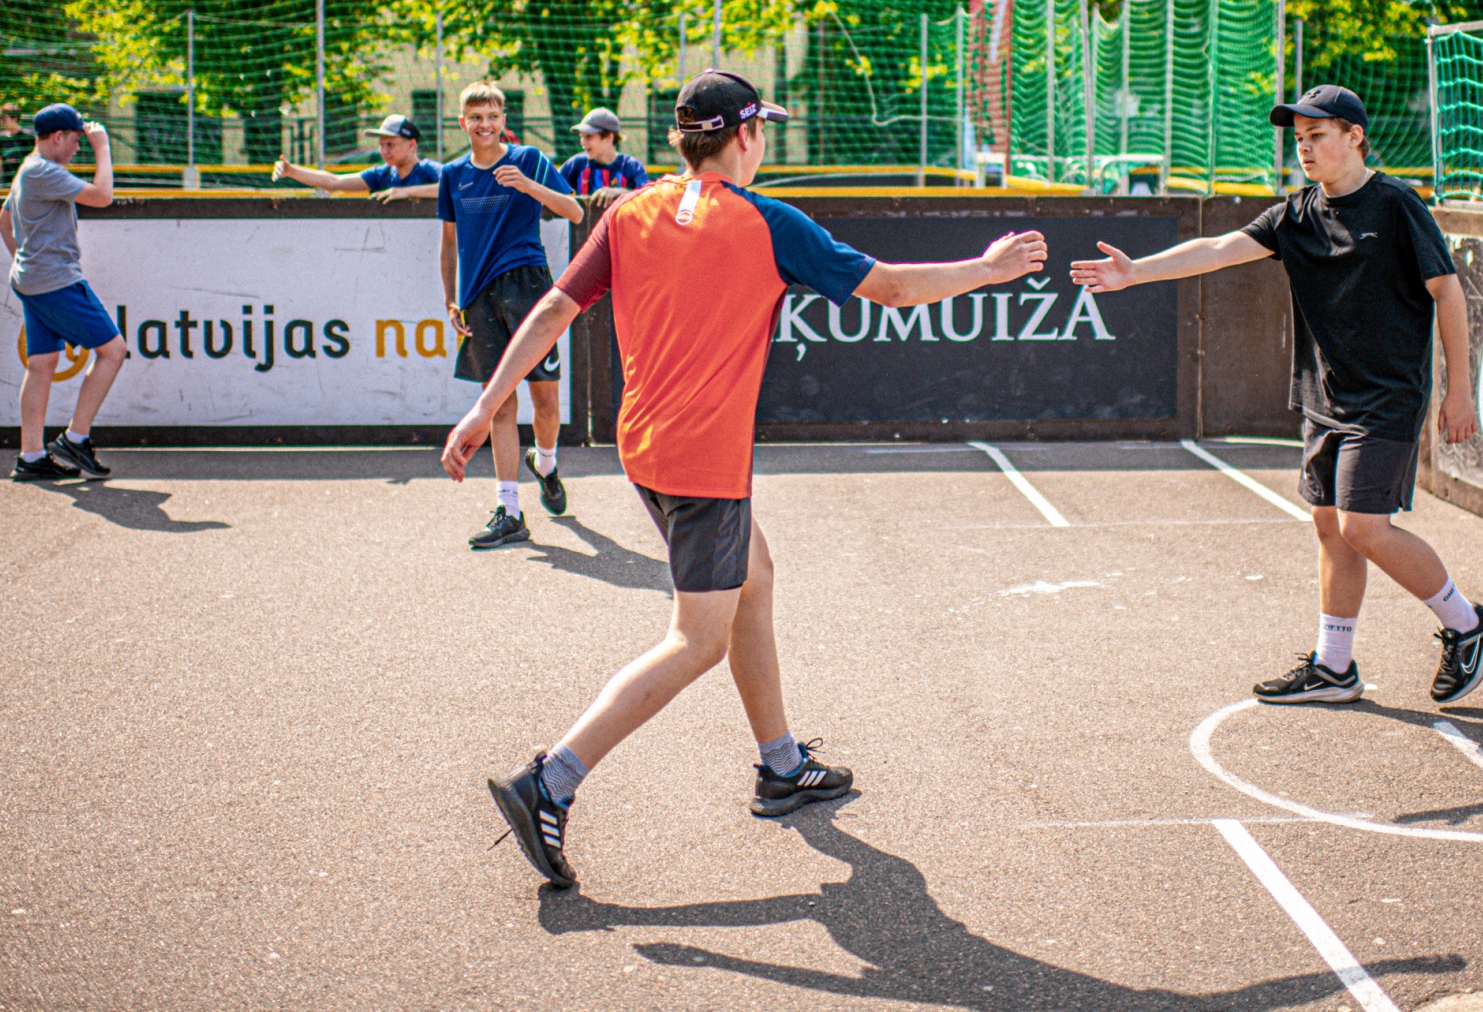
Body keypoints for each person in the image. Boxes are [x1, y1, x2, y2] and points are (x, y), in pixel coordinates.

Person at [444, 69, 1048, 888]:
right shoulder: (767, 222)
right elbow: (897, 289)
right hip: (703, 463)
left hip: (646, 447)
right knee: (696, 640)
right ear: (746, 135)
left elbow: (553, 309)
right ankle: (550, 781)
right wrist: (988, 265)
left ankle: (781, 764)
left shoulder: (632, 210)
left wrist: (485, 407)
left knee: (753, 577)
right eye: (764, 129)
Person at [1071, 84, 1483, 709]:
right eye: (1298, 139)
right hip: (1324, 397)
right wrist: (1136, 271)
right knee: (1330, 526)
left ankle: (1469, 623)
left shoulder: (1397, 205)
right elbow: (1216, 249)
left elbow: (1449, 293)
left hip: (1387, 398)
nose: (1303, 148)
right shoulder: (1294, 215)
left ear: (1354, 136)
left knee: (1363, 527)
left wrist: (1459, 392)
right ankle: (1334, 667)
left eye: (1317, 136)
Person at [439, 83, 583, 546]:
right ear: (463, 123)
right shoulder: (452, 174)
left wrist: (528, 185)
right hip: (478, 298)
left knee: (546, 402)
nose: (484, 124)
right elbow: (449, 242)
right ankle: (510, 510)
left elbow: (575, 212)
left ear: (503, 120)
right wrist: (452, 299)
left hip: (529, 289)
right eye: (475, 117)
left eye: (492, 116)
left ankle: (545, 462)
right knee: (498, 404)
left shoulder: (529, 160)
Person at [0, 104, 129, 483]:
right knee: (113, 351)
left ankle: (31, 456)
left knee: (41, 364)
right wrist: (103, 146)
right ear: (57, 137)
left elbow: (4, 221)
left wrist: (27, 262)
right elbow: (103, 196)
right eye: (75, 140)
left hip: (31, 280)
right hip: (56, 280)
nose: (78, 148)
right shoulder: (43, 170)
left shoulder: (26, 168)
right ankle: (75, 438)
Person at [273, 114, 441, 201]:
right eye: (381, 145)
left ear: (411, 145)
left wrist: (405, 192)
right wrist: (291, 171)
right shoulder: (381, 175)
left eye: (390, 145)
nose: (383, 151)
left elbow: (452, 187)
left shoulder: (428, 170)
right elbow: (334, 182)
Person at [558, 108, 651, 197]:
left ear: (609, 137)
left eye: (589, 136)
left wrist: (623, 193)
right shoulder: (577, 164)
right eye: (581, 136)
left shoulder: (631, 166)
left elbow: (647, 196)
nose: (582, 142)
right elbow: (552, 190)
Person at [0, 103, 28, 189]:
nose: (1, 122)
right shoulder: (1, 138)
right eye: (0, 119)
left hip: (24, 184)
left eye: (4, 119)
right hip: (6, 184)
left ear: (14, 119)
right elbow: (0, 163)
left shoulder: (29, 137)